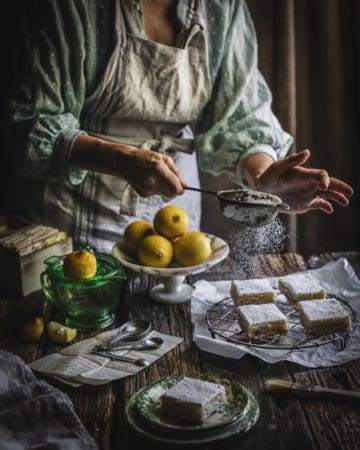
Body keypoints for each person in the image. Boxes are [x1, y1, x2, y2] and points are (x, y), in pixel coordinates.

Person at [6, 0, 353, 253]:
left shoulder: (221, 8)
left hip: (178, 204)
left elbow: (238, 113)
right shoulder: (68, 8)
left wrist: (262, 178)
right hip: (72, 208)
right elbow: (31, 124)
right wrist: (121, 159)